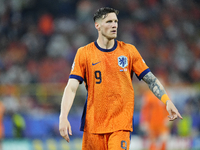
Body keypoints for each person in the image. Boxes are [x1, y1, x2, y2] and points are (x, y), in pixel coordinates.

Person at [59, 7, 182, 150]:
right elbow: (71, 87)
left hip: (120, 125)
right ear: (97, 25)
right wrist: (63, 116)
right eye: (109, 21)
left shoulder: (129, 51)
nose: (114, 25)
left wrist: (166, 101)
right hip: (92, 127)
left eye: (116, 21)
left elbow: (151, 80)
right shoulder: (84, 53)